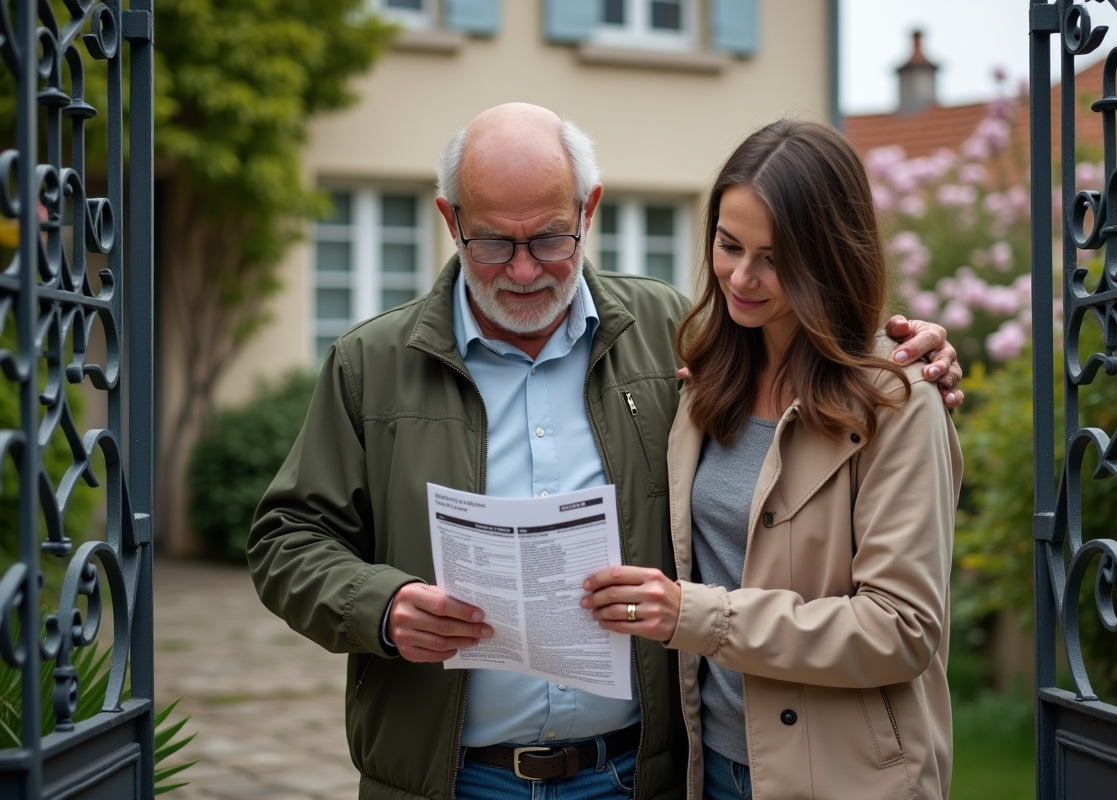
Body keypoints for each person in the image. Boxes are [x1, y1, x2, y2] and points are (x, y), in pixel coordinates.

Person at [247, 104, 962, 800]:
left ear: (589, 210)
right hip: (448, 777)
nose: (524, 270)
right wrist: (381, 606)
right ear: (449, 220)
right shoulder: (369, 363)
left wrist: (915, 362)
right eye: (494, 242)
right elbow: (285, 540)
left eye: (551, 239)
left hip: (635, 775)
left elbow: (830, 358)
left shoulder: (673, 336)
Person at [582, 119, 962, 800]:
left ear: (830, 258)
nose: (742, 277)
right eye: (729, 246)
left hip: (848, 779)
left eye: (774, 258)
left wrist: (694, 616)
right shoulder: (702, 386)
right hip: (714, 769)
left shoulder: (898, 402)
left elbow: (901, 629)